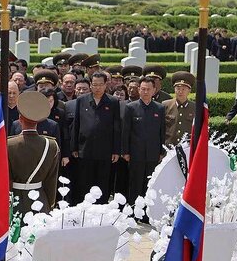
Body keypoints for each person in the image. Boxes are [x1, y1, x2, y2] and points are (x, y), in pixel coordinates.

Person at [71, 72, 121, 203]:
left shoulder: (113, 102)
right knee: (84, 182)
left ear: (106, 85)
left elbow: (117, 127)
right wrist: (74, 147)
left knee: (102, 182)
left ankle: (101, 209)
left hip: (105, 150)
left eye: (100, 84)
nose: (97, 87)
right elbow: (76, 124)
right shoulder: (82, 100)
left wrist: (116, 150)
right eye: (94, 84)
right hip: (85, 149)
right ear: (91, 85)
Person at [8, 90, 60, 216]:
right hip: (40, 201)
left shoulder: (9, 145)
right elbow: (51, 181)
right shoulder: (51, 145)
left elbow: (6, 179)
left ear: (20, 119)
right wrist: (49, 204)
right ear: (39, 120)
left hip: (15, 201)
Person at [122, 76, 166, 204]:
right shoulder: (131, 107)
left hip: (153, 154)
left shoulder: (159, 108)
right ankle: (133, 210)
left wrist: (161, 152)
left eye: (148, 89)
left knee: (150, 184)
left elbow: (162, 132)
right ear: (139, 90)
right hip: (135, 153)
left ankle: (147, 213)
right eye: (143, 89)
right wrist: (125, 151)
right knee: (134, 183)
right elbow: (126, 131)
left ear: (154, 90)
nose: (145, 92)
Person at [163, 71, 195, 145]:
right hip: (168, 148)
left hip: (187, 148)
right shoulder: (165, 105)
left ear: (189, 90)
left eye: (183, 89)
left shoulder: (194, 108)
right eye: (178, 88)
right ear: (174, 89)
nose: (180, 91)